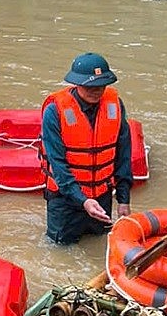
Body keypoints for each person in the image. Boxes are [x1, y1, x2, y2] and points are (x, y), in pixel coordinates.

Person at [40, 53, 133, 245]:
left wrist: (124, 199)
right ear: (76, 83)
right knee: (60, 249)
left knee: (100, 244)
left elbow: (123, 154)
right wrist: (82, 200)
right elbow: (57, 164)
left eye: (101, 85)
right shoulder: (55, 111)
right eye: (90, 86)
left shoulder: (115, 105)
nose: (96, 90)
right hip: (65, 200)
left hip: (101, 197)